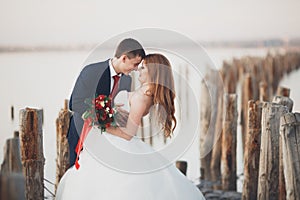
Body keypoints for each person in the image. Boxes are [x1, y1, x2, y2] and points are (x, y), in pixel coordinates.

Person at [56, 53, 205, 199]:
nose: (138, 70)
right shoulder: (145, 92)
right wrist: (113, 113)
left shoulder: (143, 96)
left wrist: (100, 124)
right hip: (113, 137)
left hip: (119, 140)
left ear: (153, 71)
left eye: (143, 68)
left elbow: (128, 133)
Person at [67, 38, 146, 167]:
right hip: (83, 134)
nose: (136, 69)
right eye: (135, 64)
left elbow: (120, 107)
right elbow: (74, 103)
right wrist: (106, 112)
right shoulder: (91, 71)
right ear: (124, 58)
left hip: (110, 139)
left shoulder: (127, 80)